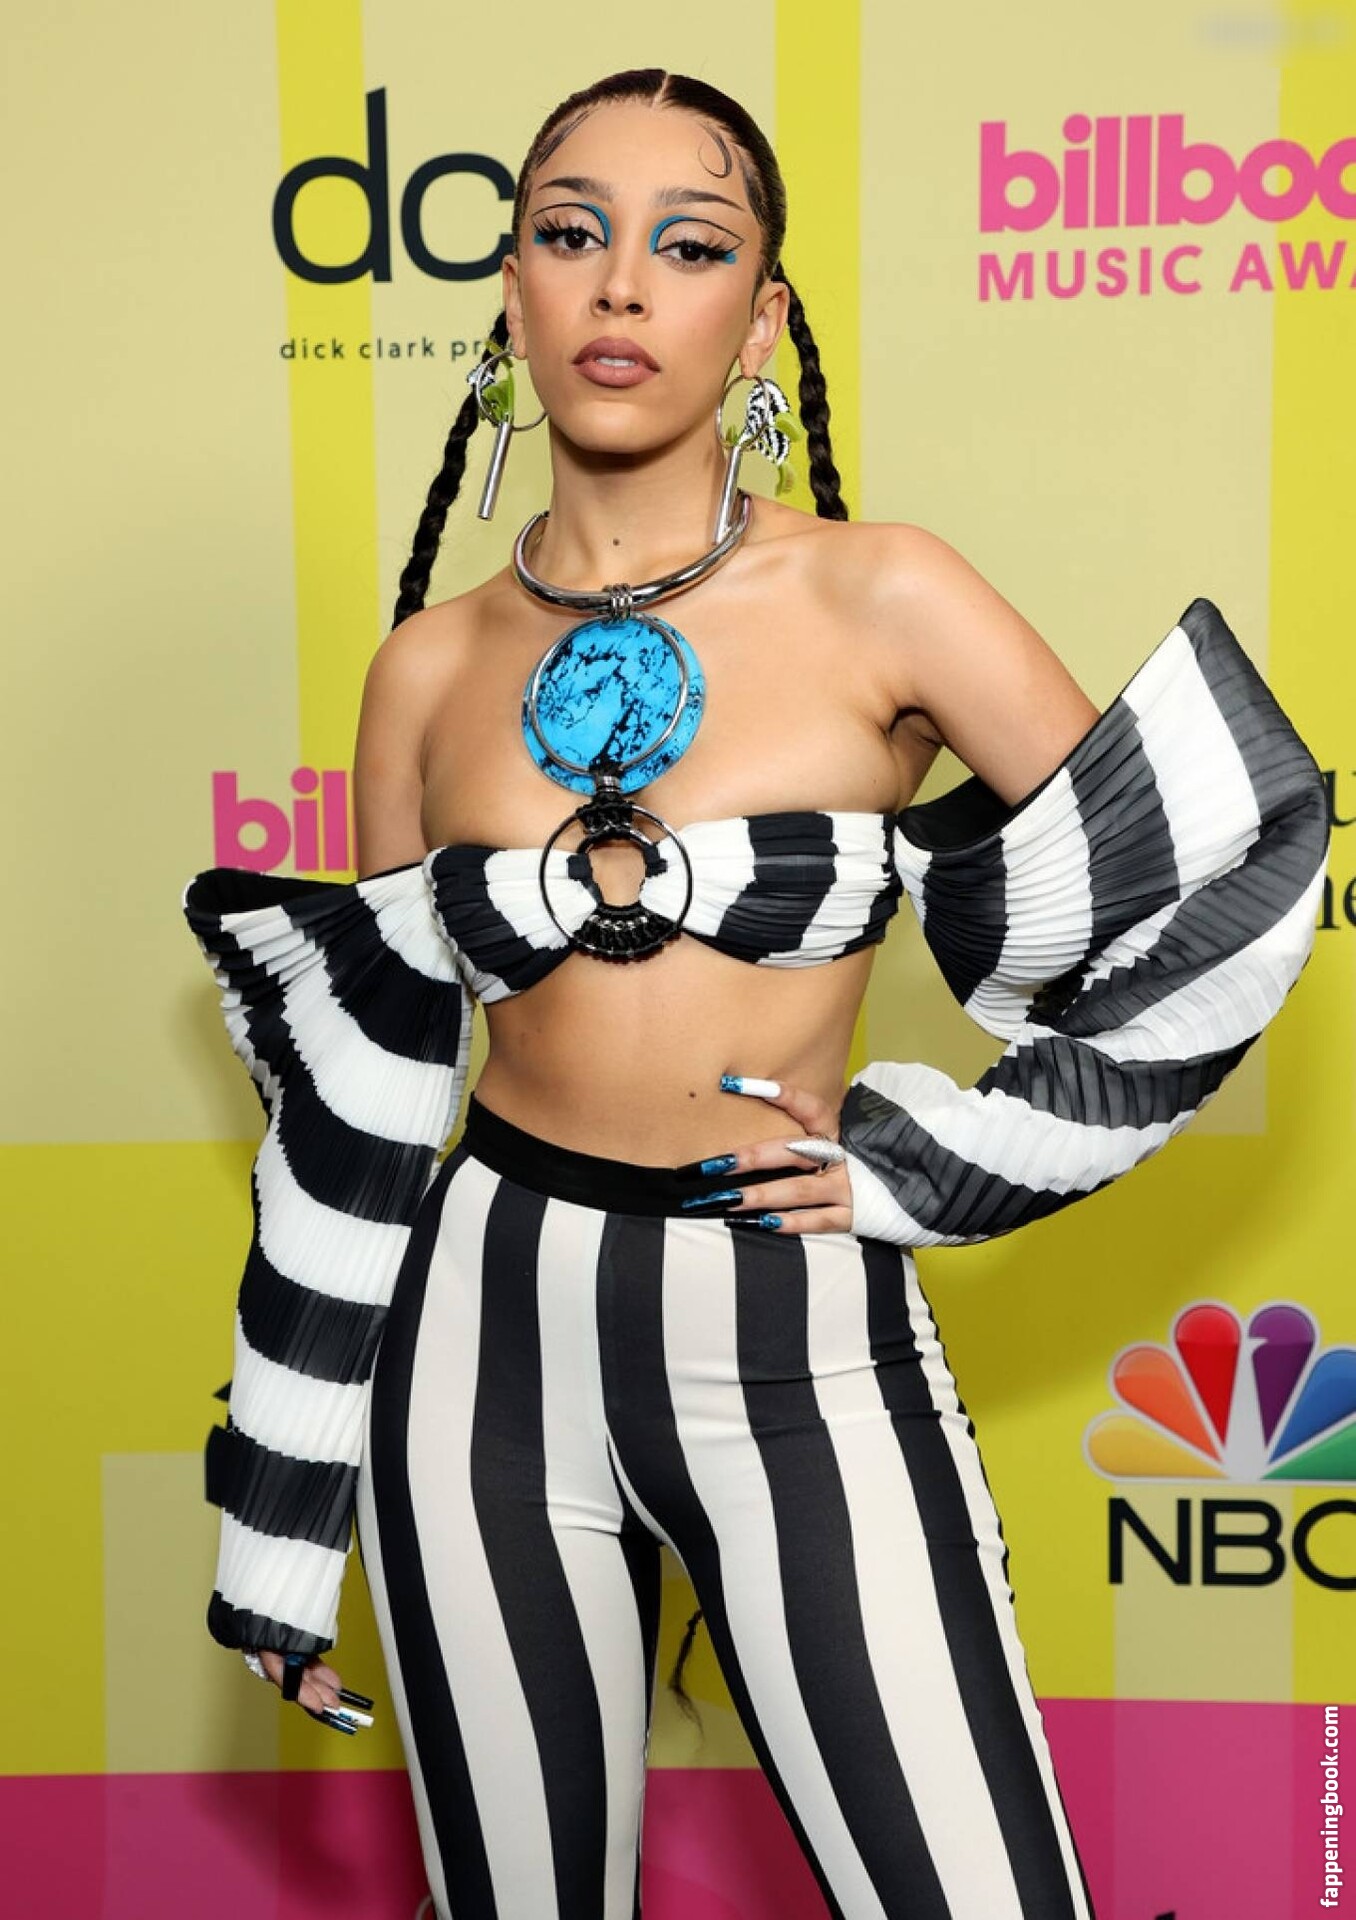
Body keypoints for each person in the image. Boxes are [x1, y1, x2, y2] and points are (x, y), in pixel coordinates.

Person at [181, 68, 1329, 1920]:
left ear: (764, 317)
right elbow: (368, 1099)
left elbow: (1219, 888)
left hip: (791, 1319)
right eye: (572, 234)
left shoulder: (886, 594)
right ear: (512, 292)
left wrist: (947, 1159)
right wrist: (285, 1497)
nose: (623, 286)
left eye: (689, 244)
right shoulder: (425, 671)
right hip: (477, 1341)